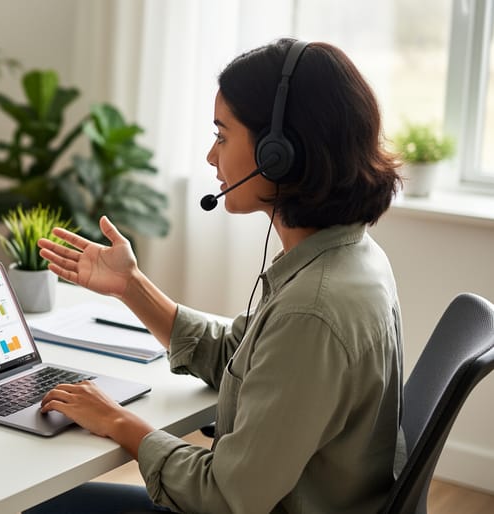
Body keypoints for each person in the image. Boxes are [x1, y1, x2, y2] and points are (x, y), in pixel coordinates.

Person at [30, 39, 404, 514]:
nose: (211, 156)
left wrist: (118, 422)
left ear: (279, 153)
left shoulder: (313, 309)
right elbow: (241, 357)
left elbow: (224, 497)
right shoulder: (348, 255)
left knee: (37, 504)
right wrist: (131, 286)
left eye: (223, 136)